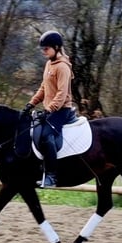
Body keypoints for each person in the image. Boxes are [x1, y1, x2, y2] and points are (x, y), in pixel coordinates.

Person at [22, 30, 74, 187]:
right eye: (43, 49)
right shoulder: (49, 64)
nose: (44, 52)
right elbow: (44, 88)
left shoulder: (63, 67)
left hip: (61, 110)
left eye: (46, 49)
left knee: (46, 136)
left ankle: (51, 176)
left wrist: (49, 109)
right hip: (50, 109)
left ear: (57, 47)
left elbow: (62, 93)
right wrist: (31, 103)